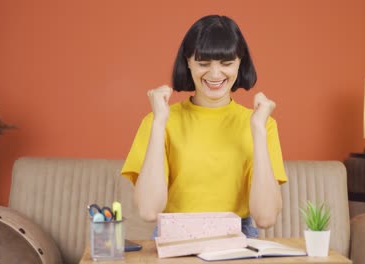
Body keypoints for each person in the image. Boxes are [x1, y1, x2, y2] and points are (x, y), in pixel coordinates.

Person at [121, 15, 288, 238]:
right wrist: (159, 122)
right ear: (187, 62)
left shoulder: (262, 124)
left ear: (241, 62)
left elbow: (266, 218)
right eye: (203, 63)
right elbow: (149, 210)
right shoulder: (159, 120)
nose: (215, 74)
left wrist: (257, 130)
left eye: (226, 63)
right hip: (175, 236)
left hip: (237, 238)